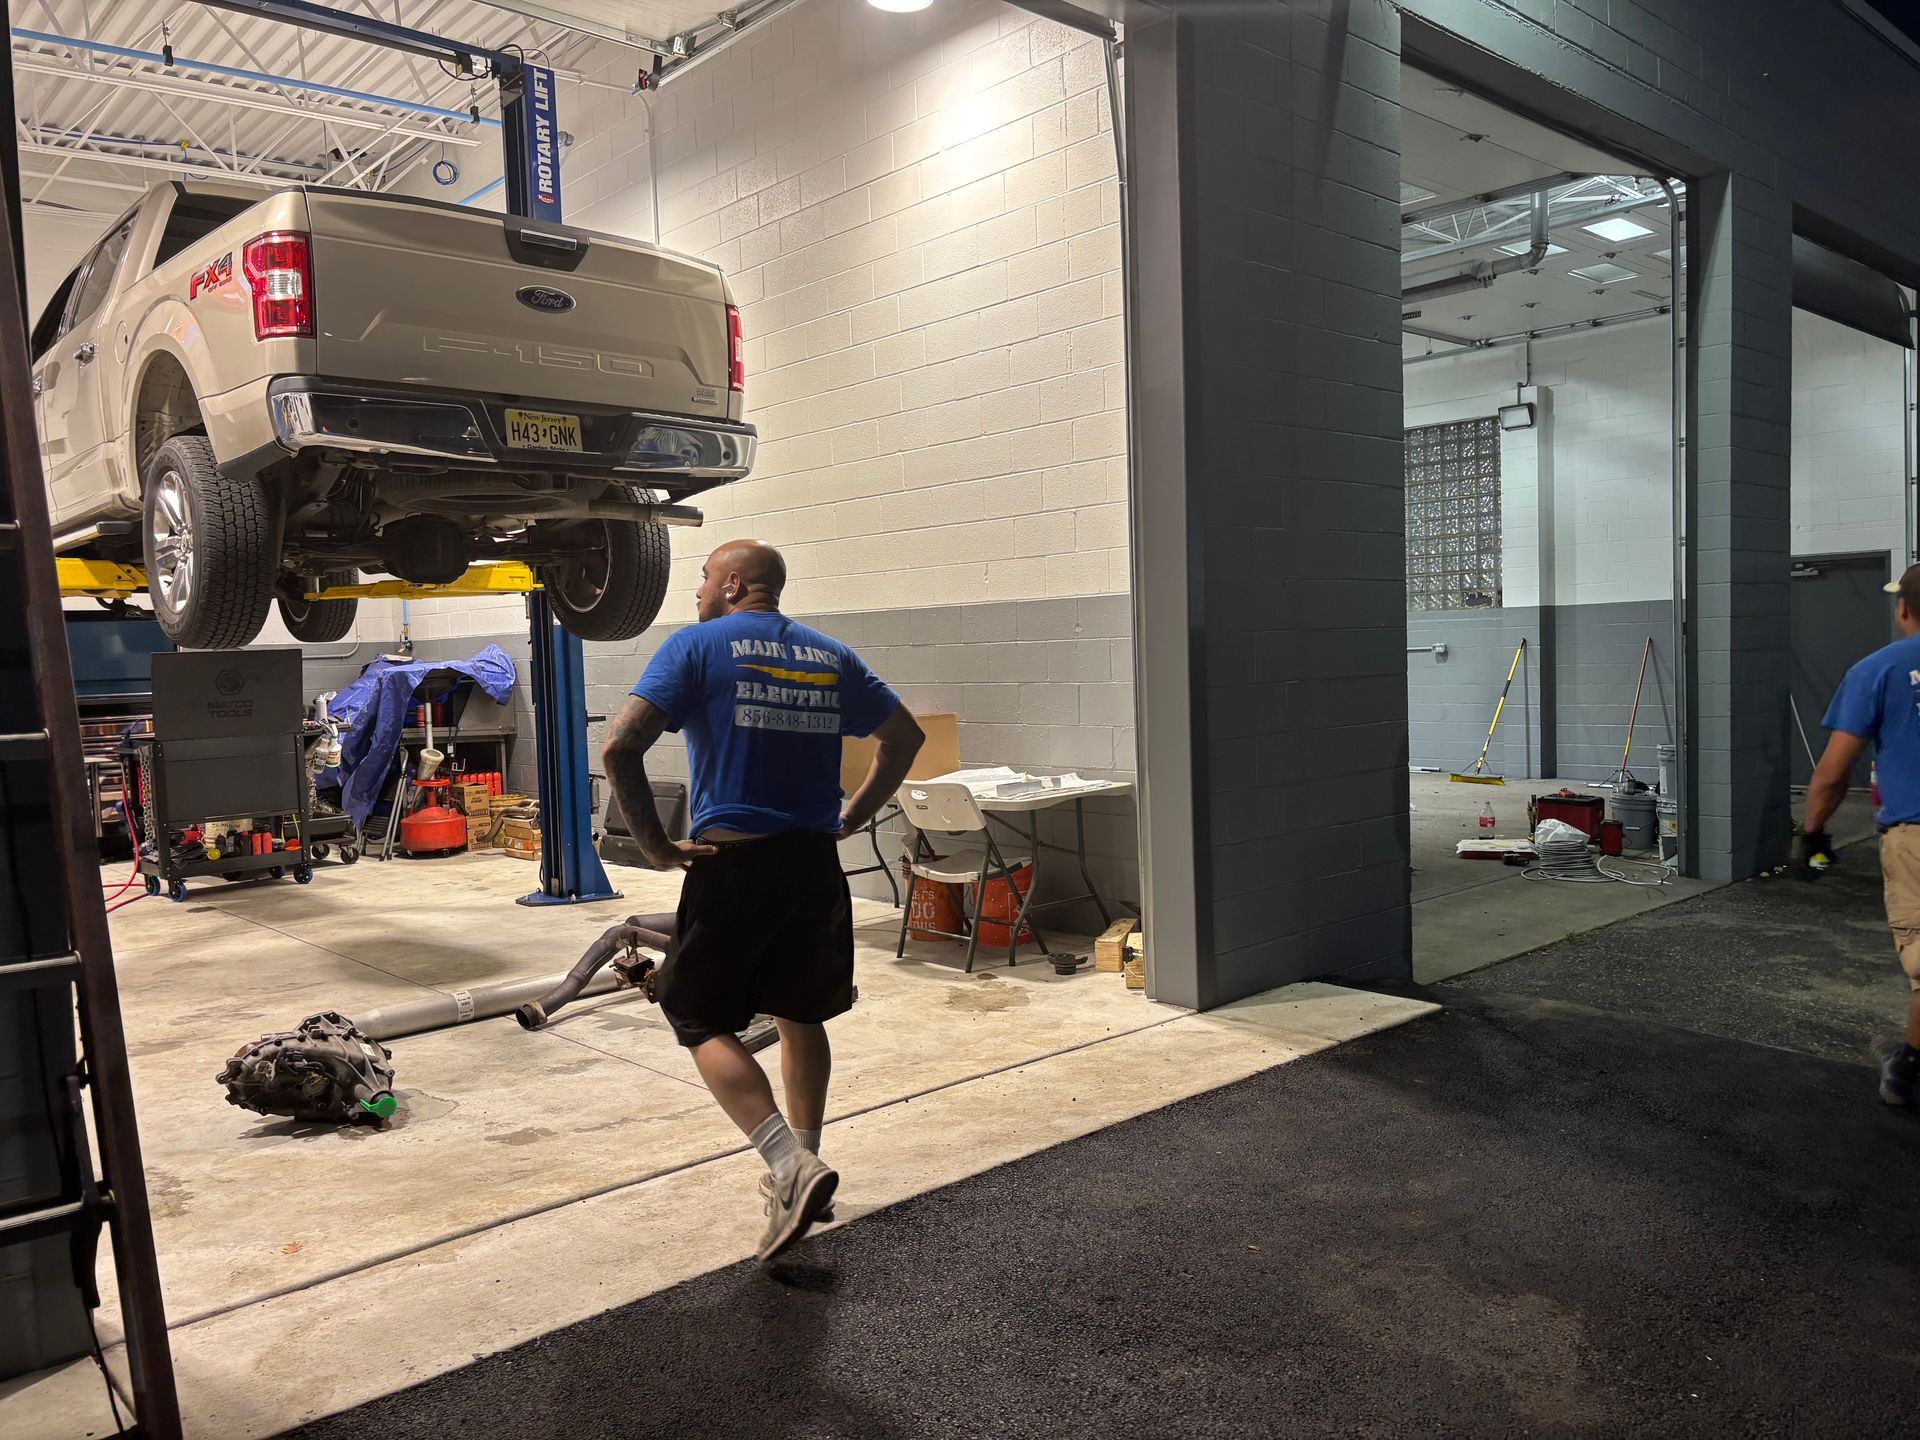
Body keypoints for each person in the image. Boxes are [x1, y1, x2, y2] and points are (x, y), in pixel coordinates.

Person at [601, 539, 924, 1260]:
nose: (696, 593)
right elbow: (904, 738)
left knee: (692, 1012)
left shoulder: (695, 647)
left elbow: (620, 747)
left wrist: (655, 847)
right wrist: (857, 813)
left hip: (735, 867)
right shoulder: (830, 655)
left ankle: (788, 1164)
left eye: (704, 580)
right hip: (814, 866)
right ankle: (807, 1173)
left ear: (734, 583)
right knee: (800, 1012)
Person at [1802, 561, 1920, 1109]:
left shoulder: (1880, 669)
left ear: (1903, 609)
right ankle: (1908, 1064)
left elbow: (1831, 773)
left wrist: (1813, 833)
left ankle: (1910, 1073)